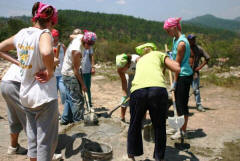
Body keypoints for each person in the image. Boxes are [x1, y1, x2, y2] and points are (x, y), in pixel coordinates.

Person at [0, 2, 59, 161]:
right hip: (44, 96)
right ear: (51, 20)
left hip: (26, 96)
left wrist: (18, 62)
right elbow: (46, 52)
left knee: (33, 141)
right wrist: (50, 71)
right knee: (45, 143)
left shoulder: (21, 34)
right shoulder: (44, 34)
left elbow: (1, 47)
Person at [127, 43, 180, 161]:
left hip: (137, 91)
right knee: (159, 126)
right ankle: (159, 157)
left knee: (134, 124)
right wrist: (170, 57)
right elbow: (177, 68)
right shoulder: (158, 54)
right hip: (157, 90)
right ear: (153, 49)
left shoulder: (140, 60)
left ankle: (131, 155)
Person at [163, 17, 193, 140]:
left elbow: (177, 66)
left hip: (183, 76)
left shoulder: (181, 43)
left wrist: (174, 82)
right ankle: (178, 128)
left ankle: (183, 131)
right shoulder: (176, 40)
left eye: (168, 31)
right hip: (180, 74)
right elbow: (176, 58)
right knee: (178, 104)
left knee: (181, 105)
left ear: (174, 28)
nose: (168, 33)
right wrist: (170, 54)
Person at [60, 31, 97, 125]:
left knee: (70, 97)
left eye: (91, 45)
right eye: (88, 45)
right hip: (70, 74)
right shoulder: (76, 52)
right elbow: (76, 71)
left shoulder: (80, 36)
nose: (89, 47)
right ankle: (78, 123)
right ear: (84, 41)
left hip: (68, 72)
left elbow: (71, 35)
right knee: (78, 100)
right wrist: (83, 85)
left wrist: (74, 36)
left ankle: (65, 119)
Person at [0, 63, 27, 155]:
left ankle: (13, 147)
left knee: (14, 116)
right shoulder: (40, 55)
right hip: (15, 84)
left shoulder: (23, 53)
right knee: (30, 117)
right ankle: (42, 152)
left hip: (5, 84)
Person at [187, 34, 210, 112]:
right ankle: (184, 105)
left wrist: (199, 67)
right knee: (184, 89)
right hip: (185, 72)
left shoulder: (199, 49)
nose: (193, 40)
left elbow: (207, 58)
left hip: (194, 72)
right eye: (191, 39)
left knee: (196, 89)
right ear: (188, 40)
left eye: (194, 39)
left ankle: (199, 105)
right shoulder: (185, 48)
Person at [116, 53, 140, 122]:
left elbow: (145, 69)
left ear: (127, 64)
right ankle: (122, 117)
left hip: (140, 74)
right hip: (129, 76)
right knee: (125, 98)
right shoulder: (120, 69)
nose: (121, 69)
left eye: (122, 68)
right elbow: (124, 82)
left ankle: (141, 119)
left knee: (140, 97)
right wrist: (124, 95)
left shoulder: (136, 59)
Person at [51, 29, 67, 109]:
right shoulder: (48, 46)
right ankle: (55, 113)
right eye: (53, 36)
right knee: (53, 95)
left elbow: (67, 58)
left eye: (56, 36)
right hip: (52, 74)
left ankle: (66, 111)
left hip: (61, 74)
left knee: (64, 92)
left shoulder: (62, 46)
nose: (55, 38)